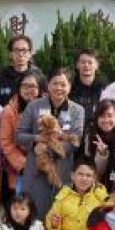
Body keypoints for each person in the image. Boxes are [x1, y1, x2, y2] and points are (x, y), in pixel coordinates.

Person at [16, 67, 85, 220]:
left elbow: (77, 141)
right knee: (34, 217)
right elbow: (19, 135)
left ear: (69, 87)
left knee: (58, 219)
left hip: (62, 171)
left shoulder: (77, 110)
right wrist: (36, 142)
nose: (59, 88)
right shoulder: (34, 105)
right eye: (55, 83)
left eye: (63, 84)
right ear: (48, 85)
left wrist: (51, 148)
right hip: (36, 171)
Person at [0, 70, 43, 200]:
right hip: (20, 165)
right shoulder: (9, 111)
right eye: (24, 86)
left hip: (44, 162)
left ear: (40, 88)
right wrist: (24, 164)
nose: (28, 90)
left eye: (33, 86)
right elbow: (6, 142)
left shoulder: (47, 107)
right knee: (22, 203)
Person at [83, 98, 115, 188]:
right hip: (97, 187)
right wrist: (102, 154)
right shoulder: (91, 136)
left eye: (110, 116)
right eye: (102, 116)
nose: (106, 120)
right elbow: (95, 171)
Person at [70, 48, 108, 131]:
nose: (86, 65)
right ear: (77, 65)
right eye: (83, 62)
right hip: (74, 133)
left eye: (90, 62)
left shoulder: (106, 89)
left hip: (99, 132)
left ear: (97, 65)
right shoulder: (69, 87)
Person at [0, 34, 37, 107]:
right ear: (10, 54)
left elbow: (44, 105)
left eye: (24, 50)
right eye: (16, 50)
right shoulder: (0, 78)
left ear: (30, 54)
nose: (20, 54)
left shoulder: (38, 78)